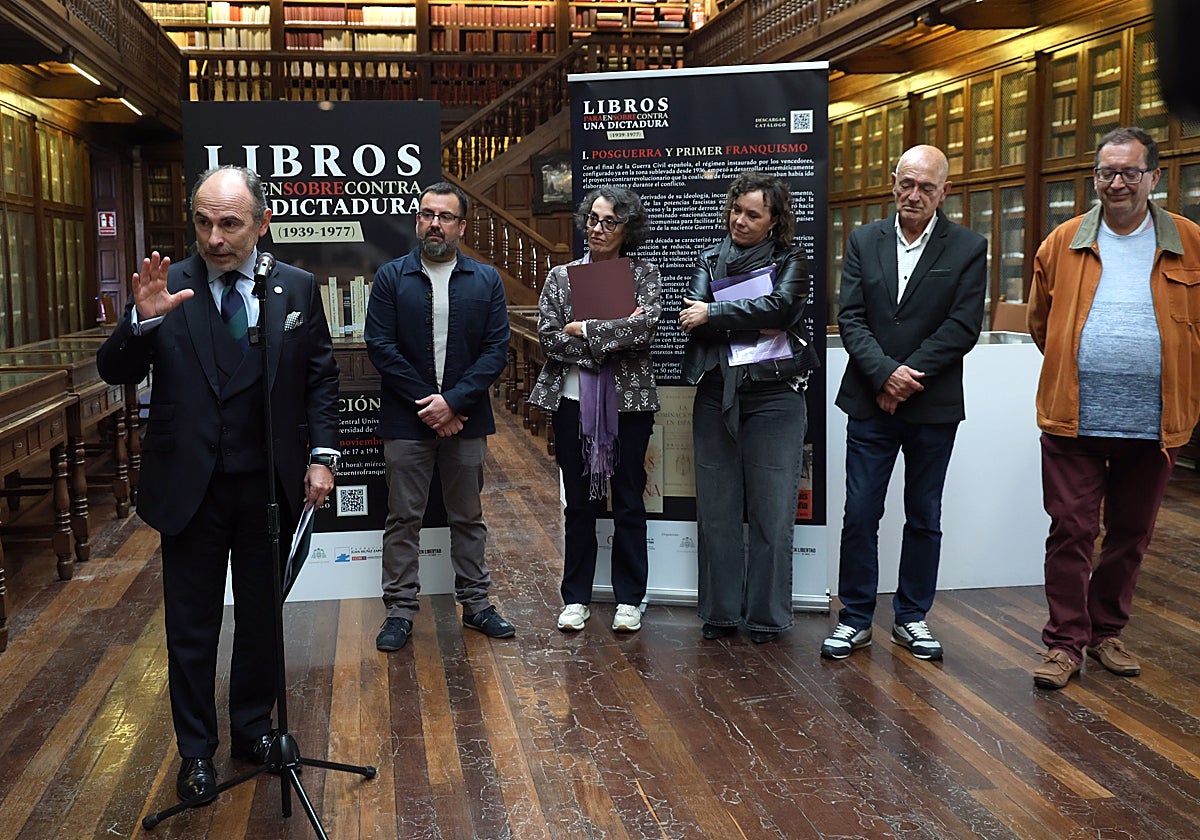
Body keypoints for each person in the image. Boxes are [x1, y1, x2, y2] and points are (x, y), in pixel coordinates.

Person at [96, 165, 340, 803]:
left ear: (262, 222)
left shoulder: (295, 289)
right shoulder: (167, 286)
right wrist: (140, 323)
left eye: (230, 223)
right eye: (203, 222)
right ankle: (196, 750)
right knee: (191, 624)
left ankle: (253, 726)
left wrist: (321, 455)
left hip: (268, 486)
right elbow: (113, 369)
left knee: (262, 617)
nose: (214, 237)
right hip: (190, 488)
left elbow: (319, 378)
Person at [1028, 127, 1200, 689]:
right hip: (1074, 419)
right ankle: (1064, 643)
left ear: (1154, 177)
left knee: (1131, 533)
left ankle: (1105, 633)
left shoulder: (1191, 242)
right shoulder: (1063, 241)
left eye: (1129, 172)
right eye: (1106, 172)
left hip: (1153, 424)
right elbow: (1040, 324)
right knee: (1071, 529)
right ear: (1095, 177)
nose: (1117, 183)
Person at [821, 144, 986, 662]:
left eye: (926, 187)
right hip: (871, 401)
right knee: (860, 513)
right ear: (893, 182)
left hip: (930, 405)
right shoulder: (864, 239)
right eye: (906, 184)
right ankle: (854, 619)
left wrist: (907, 376)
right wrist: (884, 374)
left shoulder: (968, 247)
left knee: (924, 515)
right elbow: (851, 317)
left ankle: (912, 617)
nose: (914, 195)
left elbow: (963, 326)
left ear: (945, 191)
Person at [365, 181, 513, 653]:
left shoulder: (485, 279)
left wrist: (455, 402)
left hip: (466, 419)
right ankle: (399, 612)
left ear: (461, 226)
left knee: (468, 516)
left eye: (445, 216)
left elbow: (496, 351)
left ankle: (477, 604)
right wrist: (432, 405)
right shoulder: (391, 277)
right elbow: (381, 347)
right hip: (408, 420)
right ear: (417, 221)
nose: (434, 224)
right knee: (403, 516)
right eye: (427, 214)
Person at [679, 170, 819, 644]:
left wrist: (717, 313)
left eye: (752, 214)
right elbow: (690, 318)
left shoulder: (792, 257)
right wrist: (740, 318)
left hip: (776, 397)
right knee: (717, 511)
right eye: (736, 210)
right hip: (717, 393)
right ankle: (720, 614)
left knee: (772, 512)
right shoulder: (708, 256)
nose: (739, 220)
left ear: (774, 220)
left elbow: (781, 311)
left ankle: (767, 618)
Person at [528, 187, 661, 633]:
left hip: (630, 406)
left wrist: (585, 328)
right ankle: (576, 598)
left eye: (609, 222)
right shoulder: (562, 276)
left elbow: (645, 330)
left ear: (627, 230)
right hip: (571, 403)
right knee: (579, 505)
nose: (597, 229)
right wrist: (608, 341)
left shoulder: (643, 273)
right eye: (593, 219)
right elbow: (548, 337)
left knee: (627, 501)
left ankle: (629, 599)